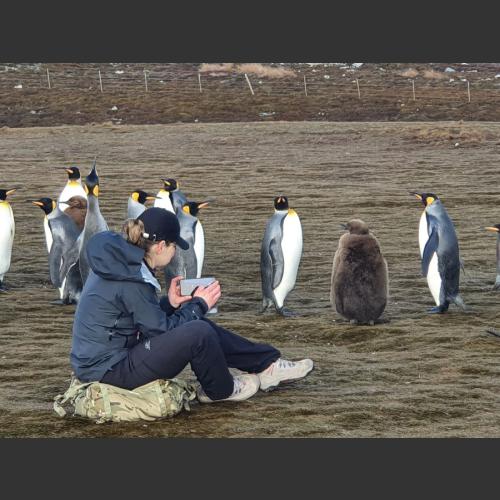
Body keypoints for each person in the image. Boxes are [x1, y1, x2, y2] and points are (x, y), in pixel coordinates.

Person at [70, 207, 314, 403]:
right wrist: (199, 304)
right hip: (109, 372)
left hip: (110, 358)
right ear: (160, 246)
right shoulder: (132, 278)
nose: (175, 253)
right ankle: (220, 390)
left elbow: (132, 316)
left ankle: (267, 365)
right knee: (198, 331)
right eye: (174, 246)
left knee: (193, 320)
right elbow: (160, 330)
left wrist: (171, 303)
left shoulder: (119, 262)